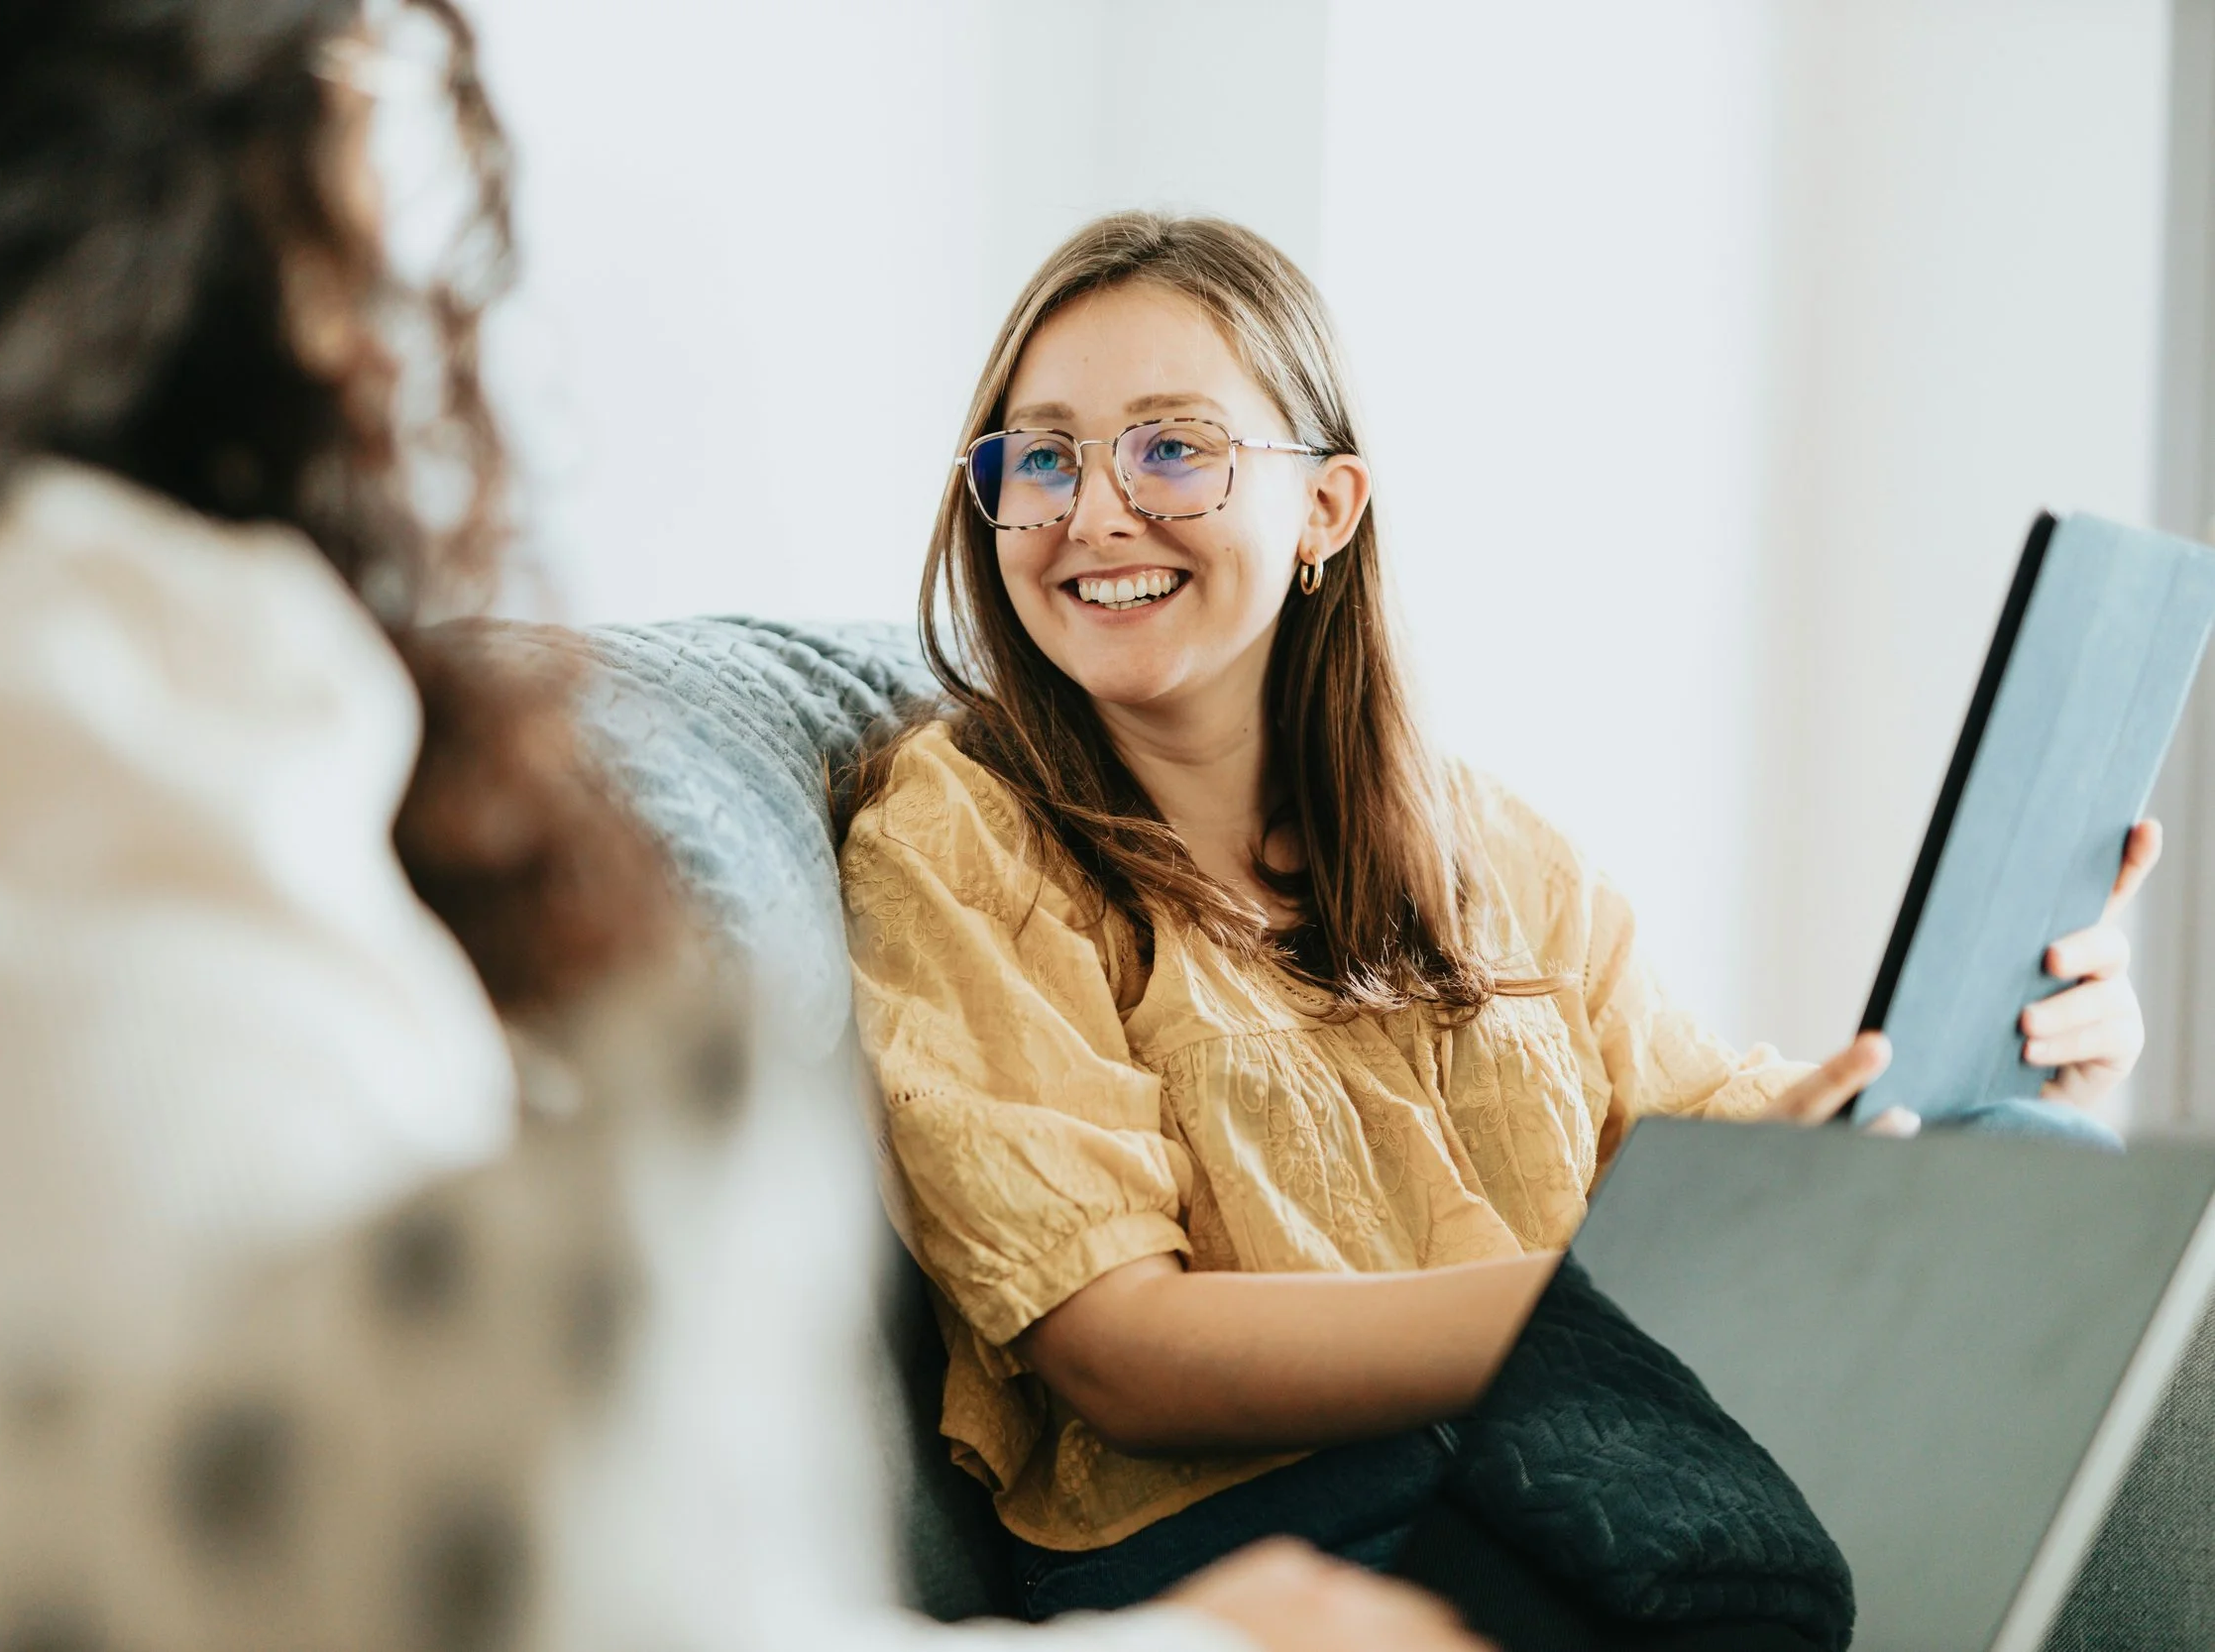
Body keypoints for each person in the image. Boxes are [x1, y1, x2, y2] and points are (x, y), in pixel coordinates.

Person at [0, 6, 1481, 1649]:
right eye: (351, 62)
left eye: (1176, 450)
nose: (385, 157)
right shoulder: (33, 667)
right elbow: (440, 1571)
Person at [838, 211, 2160, 1630]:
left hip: (1579, 1468)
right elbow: (1119, 1348)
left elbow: (1719, 1140)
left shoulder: (1487, 849)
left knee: (2051, 1174)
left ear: (1328, 510)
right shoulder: (961, 831)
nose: (1095, 513)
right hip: (1257, 1539)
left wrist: (2009, 1061)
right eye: (1041, 458)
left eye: (1172, 446)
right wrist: (1606, 1306)